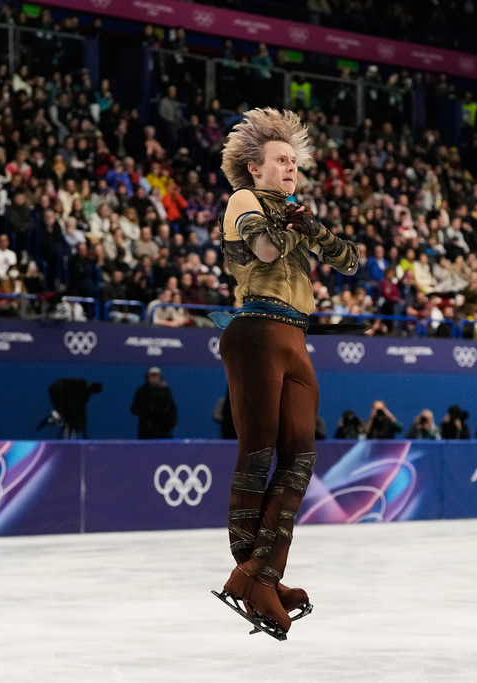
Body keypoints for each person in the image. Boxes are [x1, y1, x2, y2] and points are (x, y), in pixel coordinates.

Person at [211, 108, 358, 640]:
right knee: (259, 454)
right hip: (257, 329)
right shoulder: (243, 200)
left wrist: (310, 223)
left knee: (300, 457)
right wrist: (292, 225)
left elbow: (351, 261)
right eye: (281, 160)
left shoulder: (295, 208)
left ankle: (259, 574)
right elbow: (266, 248)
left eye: (295, 161)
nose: (291, 167)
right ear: (255, 167)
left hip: (295, 335)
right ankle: (251, 575)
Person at [129, 366, 178, 439]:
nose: (154, 378)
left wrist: (172, 423)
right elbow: (134, 409)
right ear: (147, 377)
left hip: (164, 430)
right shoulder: (141, 391)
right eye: (152, 375)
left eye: (156, 375)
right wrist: (147, 412)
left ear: (160, 376)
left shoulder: (166, 391)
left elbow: (172, 409)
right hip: (146, 430)